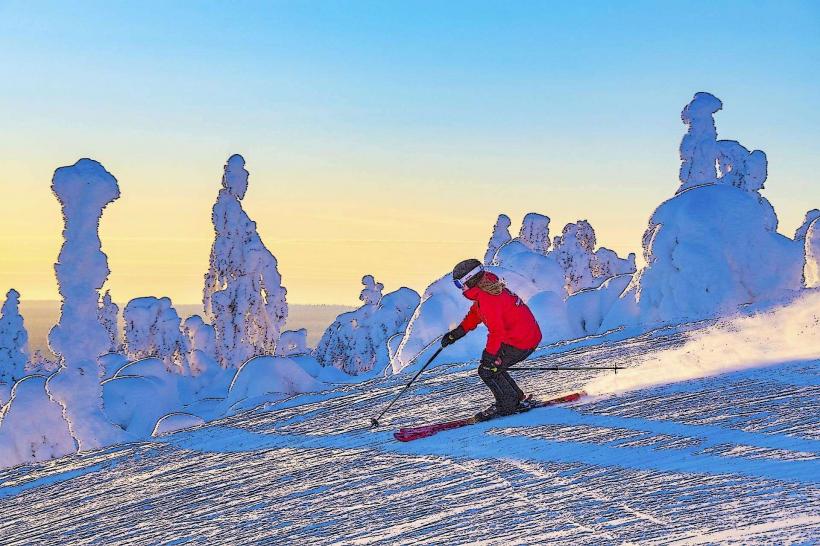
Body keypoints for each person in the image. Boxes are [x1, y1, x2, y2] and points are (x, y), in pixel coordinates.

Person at [441, 258, 542, 421]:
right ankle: (515, 397)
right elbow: (475, 313)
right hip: (523, 335)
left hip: (522, 341)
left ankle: (508, 404)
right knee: (494, 366)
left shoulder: (489, 298)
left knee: (487, 370)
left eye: (459, 284)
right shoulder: (486, 290)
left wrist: (489, 357)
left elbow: (496, 332)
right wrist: (458, 332)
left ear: (470, 279)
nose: (460, 288)